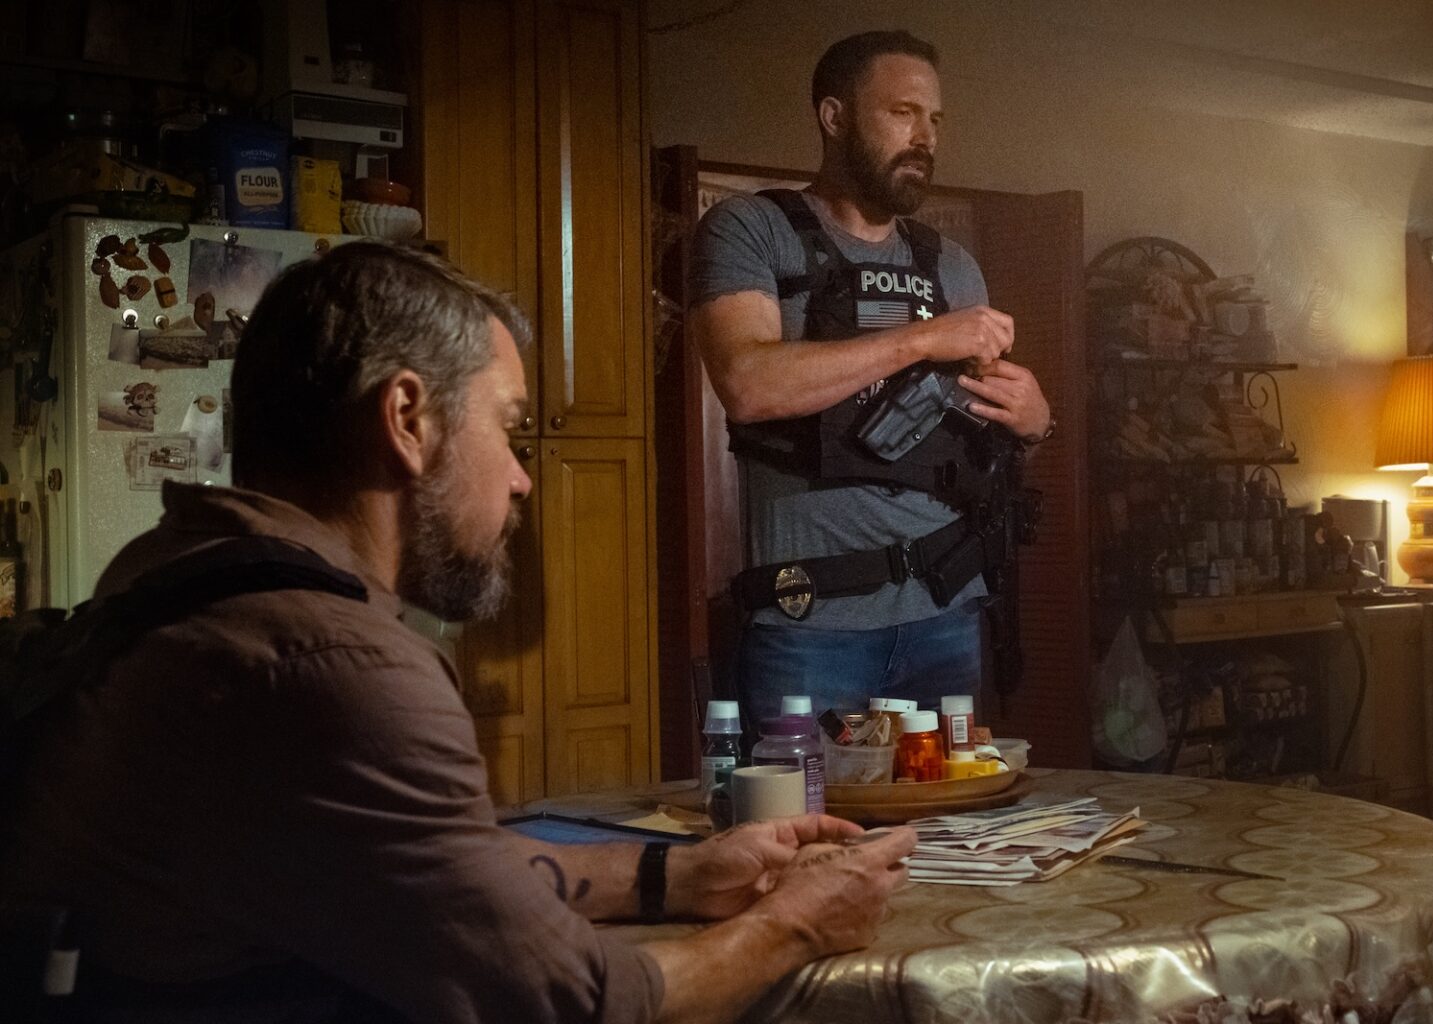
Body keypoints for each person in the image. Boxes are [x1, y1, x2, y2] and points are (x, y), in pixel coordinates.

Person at [1, 241, 917, 1023]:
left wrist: (671, 875)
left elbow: (437, 867)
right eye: (510, 429)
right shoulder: (334, 665)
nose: (522, 478)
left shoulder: (173, 573)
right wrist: (799, 919)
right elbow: (570, 1003)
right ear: (408, 420)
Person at [688, 30, 1053, 728]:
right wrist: (921, 338)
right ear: (835, 117)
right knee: (805, 833)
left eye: (936, 120)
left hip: (945, 617)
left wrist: (1036, 419)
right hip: (809, 628)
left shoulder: (950, 263)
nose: (925, 137)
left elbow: (987, 442)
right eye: (903, 113)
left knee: (946, 832)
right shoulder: (752, 230)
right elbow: (747, 381)